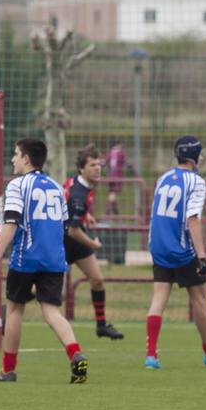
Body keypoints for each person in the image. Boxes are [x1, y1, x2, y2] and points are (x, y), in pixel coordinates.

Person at [0, 138, 87, 384]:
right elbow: (62, 225)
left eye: (16, 154)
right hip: (54, 259)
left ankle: (8, 370)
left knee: (14, 309)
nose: (13, 159)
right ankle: (75, 353)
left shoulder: (18, 186)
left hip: (26, 257)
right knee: (52, 312)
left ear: (26, 159)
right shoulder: (55, 186)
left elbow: (10, 223)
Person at [143, 135, 206, 370]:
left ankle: (151, 356)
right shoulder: (196, 182)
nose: (203, 157)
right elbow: (193, 219)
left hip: (159, 246)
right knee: (199, 299)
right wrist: (202, 256)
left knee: (158, 300)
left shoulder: (163, 177)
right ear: (194, 156)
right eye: (201, 153)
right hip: (182, 249)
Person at [62, 145, 124, 340]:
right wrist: (93, 244)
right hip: (63, 242)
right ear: (82, 168)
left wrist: (85, 215)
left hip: (74, 239)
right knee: (44, 291)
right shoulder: (79, 195)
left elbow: (68, 199)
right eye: (92, 165)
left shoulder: (77, 183)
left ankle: (101, 325)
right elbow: (73, 230)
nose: (98, 168)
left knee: (97, 279)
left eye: (99, 164)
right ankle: (8, 309)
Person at [105, 140, 127, 215]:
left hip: (110, 176)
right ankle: (108, 209)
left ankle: (115, 210)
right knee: (114, 193)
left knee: (112, 192)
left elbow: (105, 162)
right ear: (118, 145)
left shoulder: (110, 153)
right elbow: (126, 163)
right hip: (117, 176)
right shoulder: (120, 153)